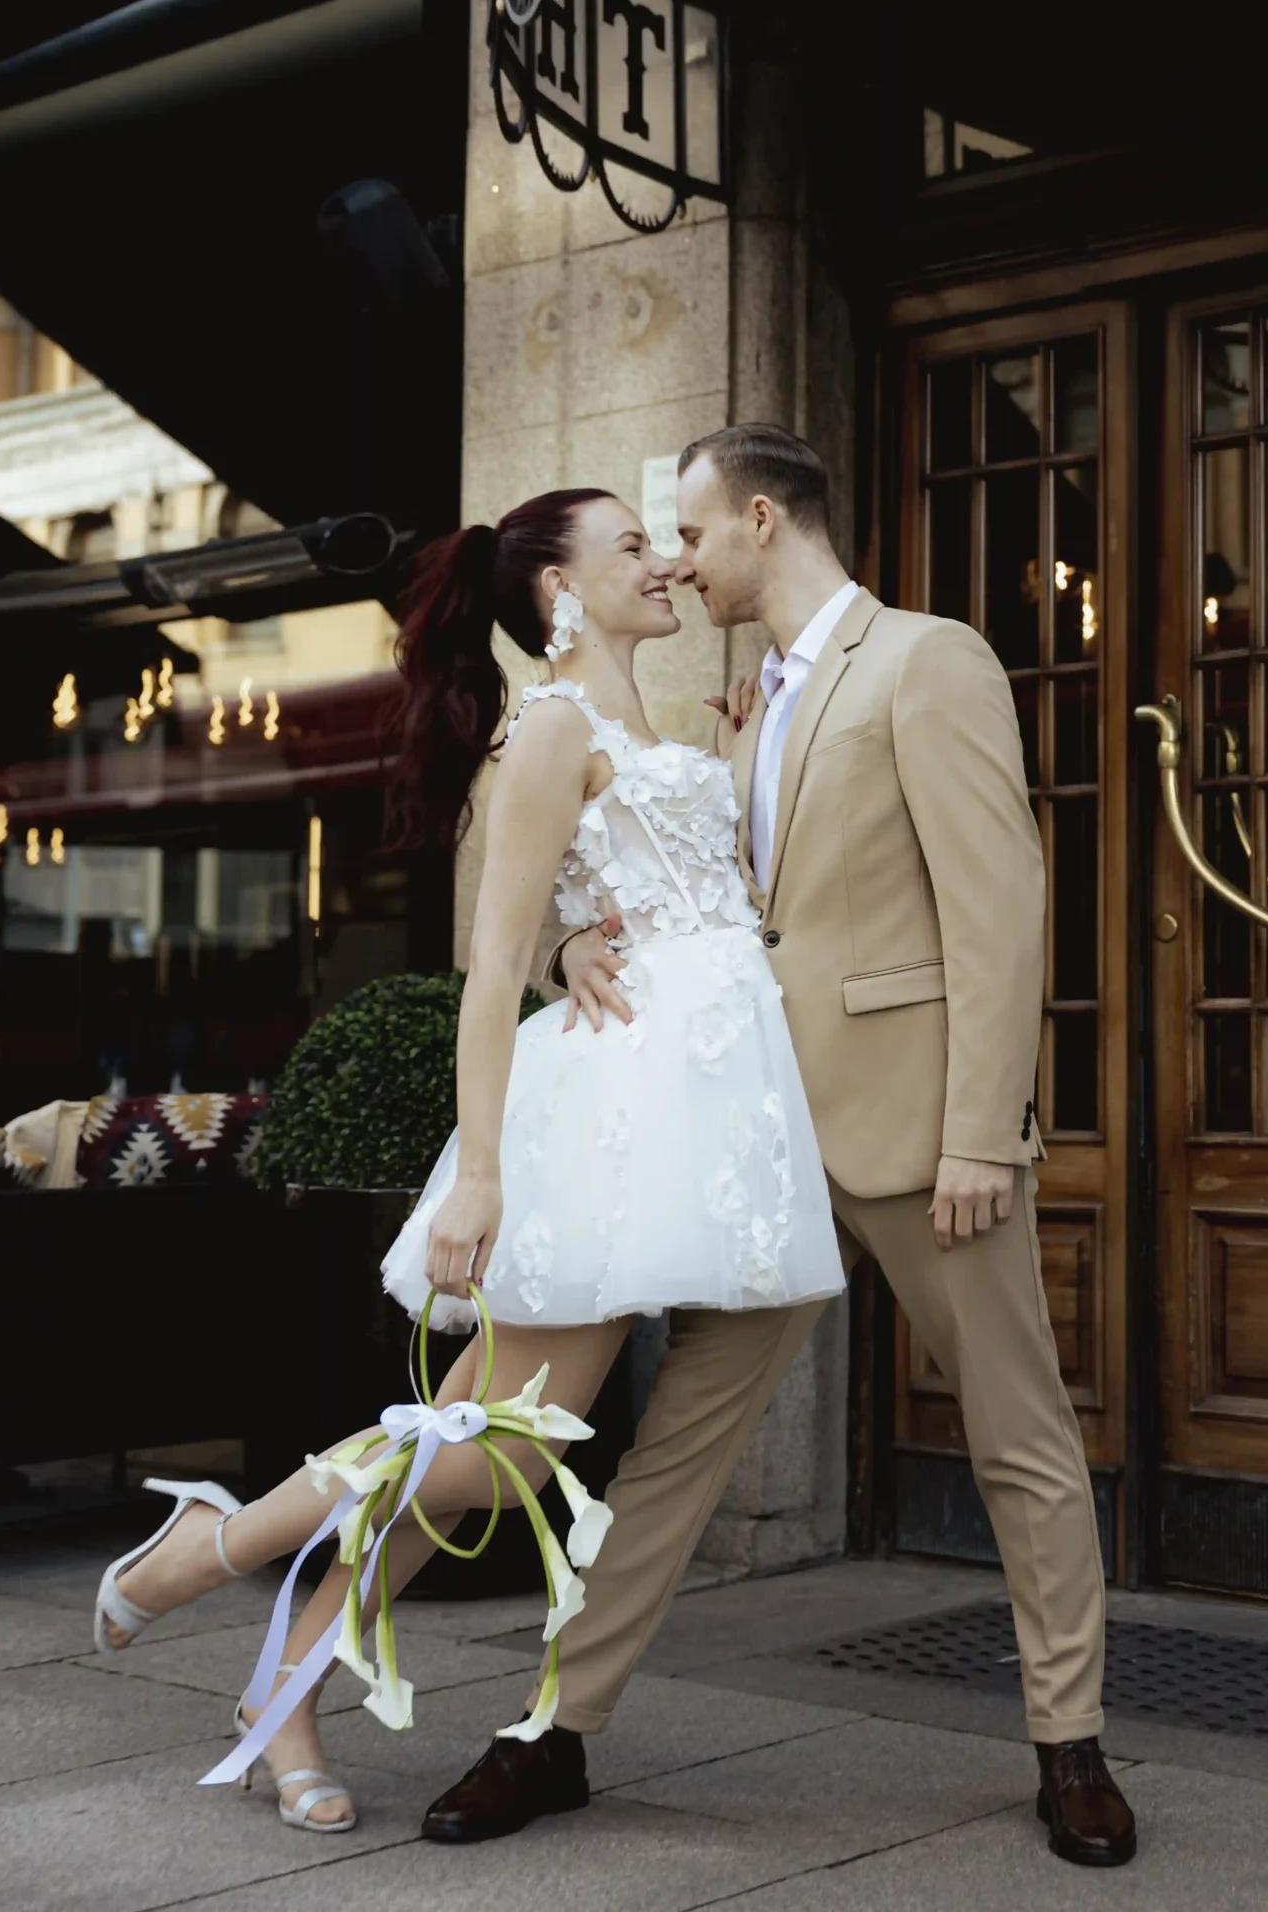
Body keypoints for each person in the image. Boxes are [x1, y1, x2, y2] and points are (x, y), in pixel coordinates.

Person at [421, 425, 1136, 1870]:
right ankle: (554, 1731)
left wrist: (980, 1128)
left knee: (1018, 1439)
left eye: (688, 534)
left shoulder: (928, 661)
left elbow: (998, 905)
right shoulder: (727, 711)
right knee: (675, 1447)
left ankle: (1069, 1748)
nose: (676, 562)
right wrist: (568, 939)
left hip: (919, 1133)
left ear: (759, 519)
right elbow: (656, 886)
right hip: (752, 1138)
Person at [90, 488, 842, 1835]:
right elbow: (492, 962)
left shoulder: (650, 722)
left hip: (683, 1112)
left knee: (489, 1457)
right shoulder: (551, 728)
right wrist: (481, 1175)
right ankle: (213, 1547)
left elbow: (652, 902)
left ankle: (280, 1693)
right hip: (604, 1119)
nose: (665, 563)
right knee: (484, 1448)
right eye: (631, 547)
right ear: (554, 591)